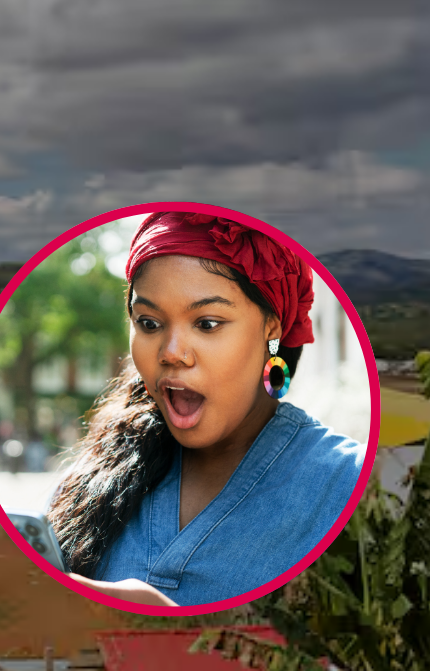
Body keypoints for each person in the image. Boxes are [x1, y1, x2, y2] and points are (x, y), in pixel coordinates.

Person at [43, 211, 365, 607]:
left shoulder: (353, 486)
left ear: (272, 329)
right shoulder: (89, 480)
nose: (172, 352)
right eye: (149, 323)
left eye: (207, 324)